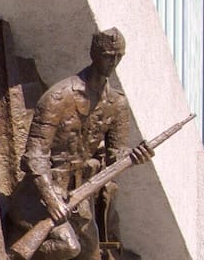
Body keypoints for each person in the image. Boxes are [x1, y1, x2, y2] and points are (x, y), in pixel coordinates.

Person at [8, 29, 152, 260]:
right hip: (39, 196)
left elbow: (116, 154)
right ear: (94, 54)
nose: (113, 62)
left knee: (91, 255)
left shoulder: (117, 103)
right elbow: (34, 156)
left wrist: (135, 156)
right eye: (107, 55)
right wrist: (51, 199)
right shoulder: (59, 96)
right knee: (67, 247)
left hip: (79, 195)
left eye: (118, 56)